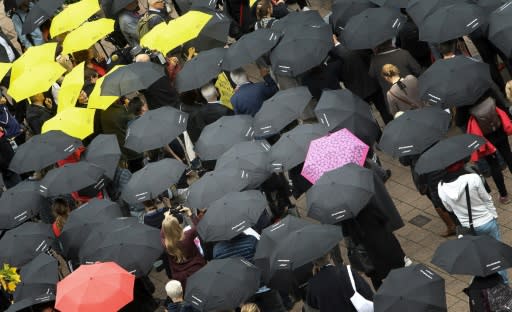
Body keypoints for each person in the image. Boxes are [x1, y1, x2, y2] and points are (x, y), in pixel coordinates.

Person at [438, 161, 508, 283]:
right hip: (486, 222)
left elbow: (448, 209)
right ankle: (503, 285)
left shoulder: (441, 186)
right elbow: (486, 198)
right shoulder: (473, 178)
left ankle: (482, 285)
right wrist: (494, 215)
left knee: (477, 257)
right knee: (496, 256)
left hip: (467, 228)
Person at [331, 35, 393, 124]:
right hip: (371, 84)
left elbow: (337, 75)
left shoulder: (333, 56)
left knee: (368, 116)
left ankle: (378, 135)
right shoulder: (354, 44)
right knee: (383, 109)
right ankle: (390, 124)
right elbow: (369, 58)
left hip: (357, 91)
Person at [466, 91, 512, 204]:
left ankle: (504, 195)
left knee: (494, 166)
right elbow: (500, 104)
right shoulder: (485, 89)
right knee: (509, 156)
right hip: (499, 129)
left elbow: (459, 121)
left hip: (485, 138)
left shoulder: (463, 101)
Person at [305, 253, 373, 312]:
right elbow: (366, 292)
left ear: (314, 262)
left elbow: (312, 308)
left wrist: (315, 279)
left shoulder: (312, 285)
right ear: (330, 256)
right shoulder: (346, 271)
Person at [161, 207, 206, 290]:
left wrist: (166, 219)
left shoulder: (165, 243)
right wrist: (190, 213)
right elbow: (201, 227)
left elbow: (163, 233)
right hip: (197, 267)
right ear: (177, 226)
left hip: (180, 275)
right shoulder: (188, 235)